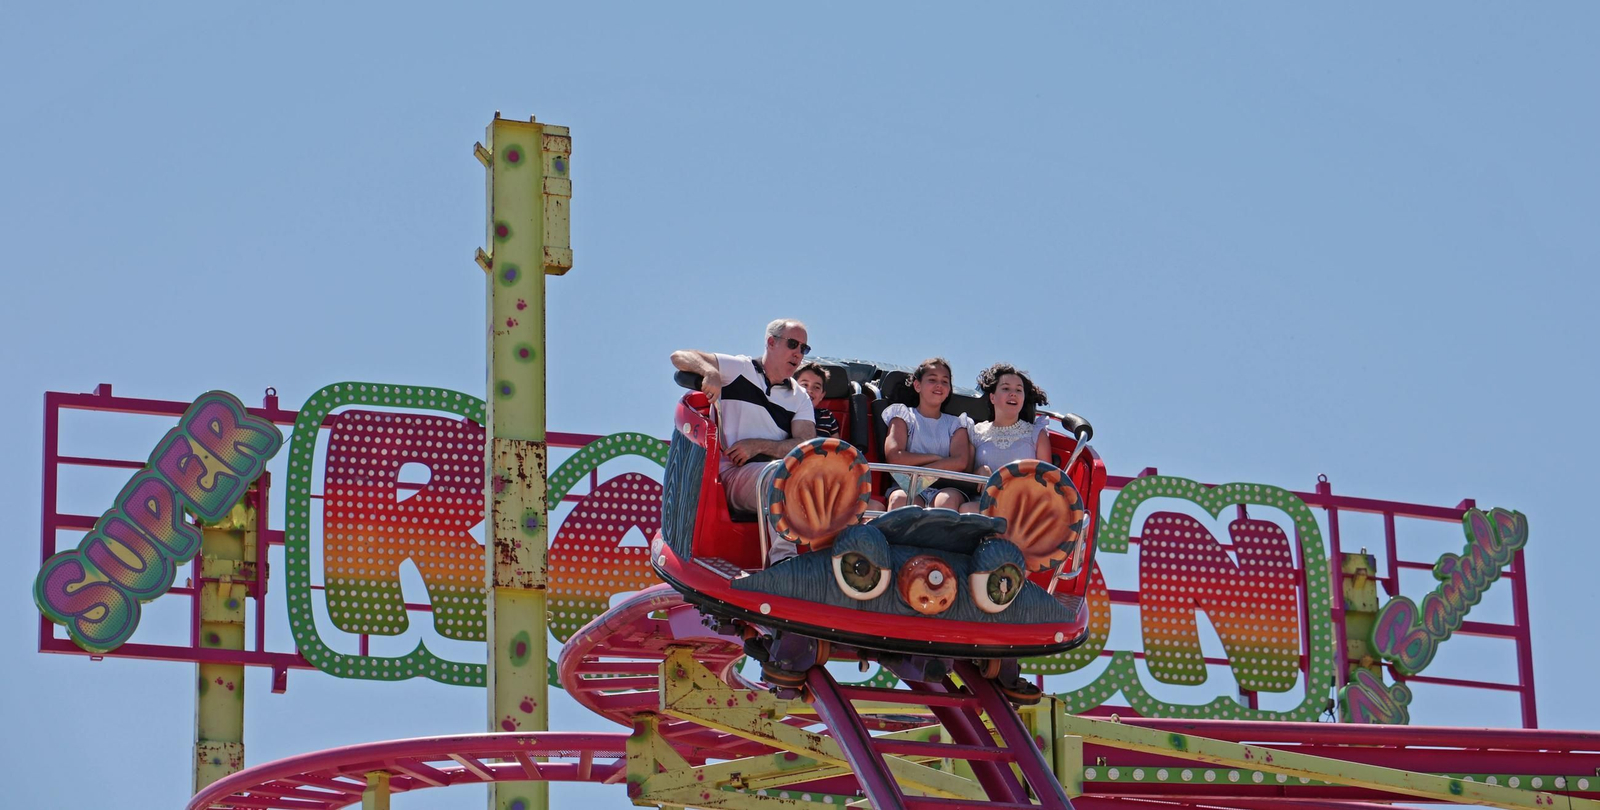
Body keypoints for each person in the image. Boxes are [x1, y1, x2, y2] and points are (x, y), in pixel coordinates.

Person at [670, 319, 817, 562]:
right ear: (771, 342)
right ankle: (785, 563)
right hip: (734, 476)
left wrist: (758, 445)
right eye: (793, 344)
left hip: (778, 473)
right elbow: (679, 356)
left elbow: (805, 445)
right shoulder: (740, 369)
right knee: (780, 475)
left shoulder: (799, 397)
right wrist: (710, 372)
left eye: (804, 348)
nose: (798, 354)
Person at [960, 363, 1052, 513]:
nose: (1013, 394)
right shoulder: (976, 432)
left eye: (1018, 390)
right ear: (992, 397)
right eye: (1006, 388)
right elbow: (965, 476)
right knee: (966, 509)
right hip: (984, 504)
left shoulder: (1035, 433)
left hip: (1023, 508)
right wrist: (979, 471)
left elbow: (1048, 480)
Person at [882, 358, 972, 510]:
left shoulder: (957, 424)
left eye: (945, 381)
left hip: (946, 487)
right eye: (932, 379)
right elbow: (895, 456)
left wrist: (922, 476)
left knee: (946, 501)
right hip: (906, 487)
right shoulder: (903, 416)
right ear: (917, 385)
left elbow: (960, 461)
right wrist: (937, 458)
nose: (939, 385)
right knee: (901, 500)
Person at [793, 362, 839, 438]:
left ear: (822, 395)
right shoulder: (785, 413)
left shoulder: (827, 416)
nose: (810, 390)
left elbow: (836, 447)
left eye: (816, 387)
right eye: (805, 385)